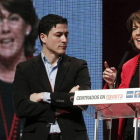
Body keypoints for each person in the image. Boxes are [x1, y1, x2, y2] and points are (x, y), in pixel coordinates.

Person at [12, 14, 91, 140]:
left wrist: (44, 96)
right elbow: (21, 108)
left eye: (66, 35)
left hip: (72, 136)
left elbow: (84, 101)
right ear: (43, 37)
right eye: (58, 35)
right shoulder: (24, 68)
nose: (64, 40)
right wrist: (62, 104)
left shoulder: (78, 65)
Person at [0, 0, 39, 139]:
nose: (4, 28)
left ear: (27, 26)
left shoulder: (48, 75)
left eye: (13, 19)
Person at [103, 10, 140, 140]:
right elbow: (119, 106)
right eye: (135, 28)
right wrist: (113, 84)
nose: (137, 33)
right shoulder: (128, 66)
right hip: (130, 133)